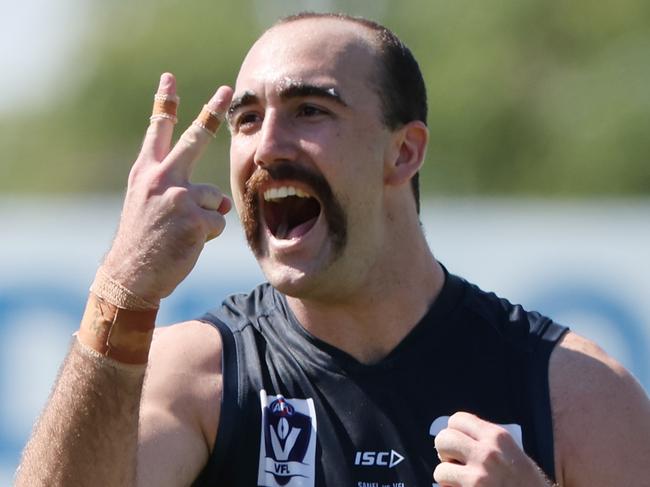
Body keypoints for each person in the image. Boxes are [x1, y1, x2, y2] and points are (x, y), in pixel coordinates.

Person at [15, 12, 650, 487]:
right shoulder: (197, 379)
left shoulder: (576, 393)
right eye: (246, 119)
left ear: (402, 152)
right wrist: (121, 290)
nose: (265, 147)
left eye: (309, 110)